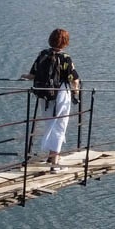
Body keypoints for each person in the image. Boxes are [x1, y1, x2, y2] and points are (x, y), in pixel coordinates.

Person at [26, 28, 81, 165]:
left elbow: (32, 74)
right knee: (60, 125)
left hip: (44, 94)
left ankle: (51, 155)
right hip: (61, 94)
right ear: (65, 43)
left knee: (50, 123)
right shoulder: (66, 58)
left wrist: (23, 76)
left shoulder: (42, 54)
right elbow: (74, 79)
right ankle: (54, 161)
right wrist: (76, 92)